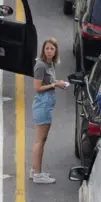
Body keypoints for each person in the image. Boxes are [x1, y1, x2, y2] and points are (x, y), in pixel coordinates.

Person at [30, 38, 68, 184]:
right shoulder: (40, 65)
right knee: (40, 140)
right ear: (43, 50)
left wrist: (57, 83)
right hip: (43, 103)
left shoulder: (50, 64)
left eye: (52, 49)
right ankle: (38, 174)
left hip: (47, 103)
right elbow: (37, 88)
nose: (49, 51)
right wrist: (55, 84)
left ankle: (35, 170)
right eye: (47, 48)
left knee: (41, 140)